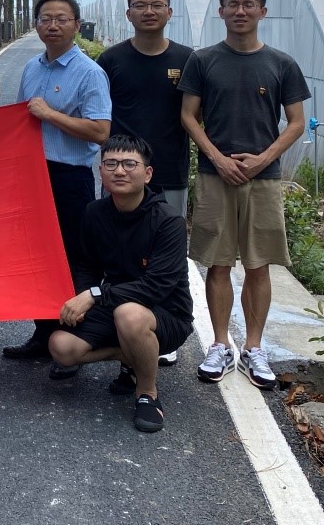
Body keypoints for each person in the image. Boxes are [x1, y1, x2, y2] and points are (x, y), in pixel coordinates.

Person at [179, 0, 309, 391]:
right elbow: (188, 116)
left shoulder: (282, 63)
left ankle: (254, 347)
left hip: (263, 178)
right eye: (232, 5)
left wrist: (262, 160)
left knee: (258, 263)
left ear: (262, 11)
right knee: (217, 262)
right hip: (215, 176)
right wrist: (217, 158)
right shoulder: (203, 60)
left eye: (249, 4)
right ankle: (220, 344)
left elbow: (296, 122)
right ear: (221, 12)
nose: (240, 11)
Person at [48, 135, 194, 434]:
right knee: (61, 346)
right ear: (101, 171)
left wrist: (94, 294)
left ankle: (147, 392)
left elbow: (156, 287)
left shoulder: (168, 221)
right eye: (111, 164)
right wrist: (82, 298)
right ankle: (129, 355)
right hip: (114, 305)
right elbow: (86, 265)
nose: (120, 171)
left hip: (165, 313)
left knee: (129, 314)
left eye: (130, 164)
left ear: (147, 173)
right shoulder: (94, 213)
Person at [3, 0, 111, 379]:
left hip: (70, 177)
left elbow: (100, 131)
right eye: (45, 18)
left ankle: (73, 344)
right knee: (36, 257)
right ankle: (44, 333)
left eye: (62, 19)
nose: (53, 25)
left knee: (70, 258)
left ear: (77, 25)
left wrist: (50, 114)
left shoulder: (89, 72)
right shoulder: (32, 67)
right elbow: (21, 122)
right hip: (32, 175)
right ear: (36, 24)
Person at [96, 0, 194, 365]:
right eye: (140, 5)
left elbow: (197, 113)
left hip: (170, 168)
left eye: (156, 5)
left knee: (168, 250)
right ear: (128, 13)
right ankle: (123, 323)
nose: (148, 11)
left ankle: (162, 328)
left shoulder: (187, 59)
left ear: (170, 12)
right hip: (122, 170)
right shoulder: (111, 60)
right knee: (119, 247)